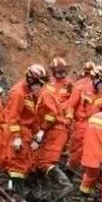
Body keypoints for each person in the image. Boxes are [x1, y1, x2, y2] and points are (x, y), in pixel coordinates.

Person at [30, 58, 74, 192]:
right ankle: (45, 189)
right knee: (38, 160)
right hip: (52, 128)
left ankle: (65, 185)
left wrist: (41, 131)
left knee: (46, 161)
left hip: (57, 127)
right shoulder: (46, 90)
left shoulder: (65, 86)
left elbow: (53, 113)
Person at [3, 63, 48, 192]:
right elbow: (13, 117)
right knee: (16, 164)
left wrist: (37, 134)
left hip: (25, 131)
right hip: (16, 131)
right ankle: (13, 193)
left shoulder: (30, 94)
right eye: (39, 83)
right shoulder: (19, 93)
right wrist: (16, 137)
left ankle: (17, 191)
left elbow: (31, 116)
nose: (40, 87)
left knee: (23, 163)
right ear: (31, 80)